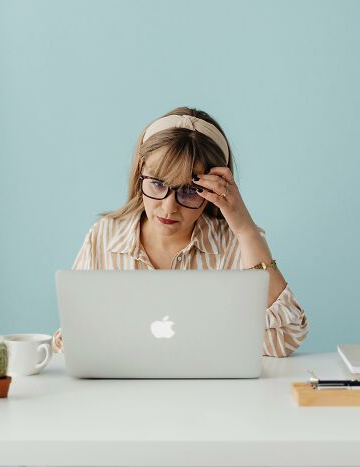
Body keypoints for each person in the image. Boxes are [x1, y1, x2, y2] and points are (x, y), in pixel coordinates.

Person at [52, 106, 308, 357]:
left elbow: (285, 338)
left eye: (189, 191)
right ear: (140, 172)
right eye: (157, 184)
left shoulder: (235, 246)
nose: (169, 207)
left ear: (214, 190)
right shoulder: (103, 237)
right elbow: (73, 341)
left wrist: (246, 230)